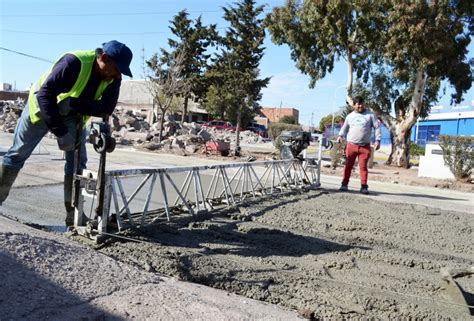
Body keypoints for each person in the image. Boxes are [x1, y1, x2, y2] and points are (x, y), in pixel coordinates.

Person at [0, 40, 133, 226]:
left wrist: (72, 103)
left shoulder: (114, 78)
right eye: (116, 69)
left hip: (71, 114)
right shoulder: (73, 63)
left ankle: (74, 216)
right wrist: (60, 131)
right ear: (103, 58)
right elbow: (44, 94)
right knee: (17, 155)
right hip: (41, 109)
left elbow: (106, 108)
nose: (118, 74)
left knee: (78, 164)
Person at [337, 96, 381, 194]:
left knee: (363, 167)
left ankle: (364, 186)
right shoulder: (349, 116)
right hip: (351, 145)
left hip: (364, 147)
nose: (360, 106)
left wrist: (378, 140)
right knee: (348, 166)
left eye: (362, 104)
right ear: (354, 105)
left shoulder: (370, 115)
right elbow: (344, 128)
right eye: (358, 104)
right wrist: (340, 136)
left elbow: (377, 127)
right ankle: (344, 184)